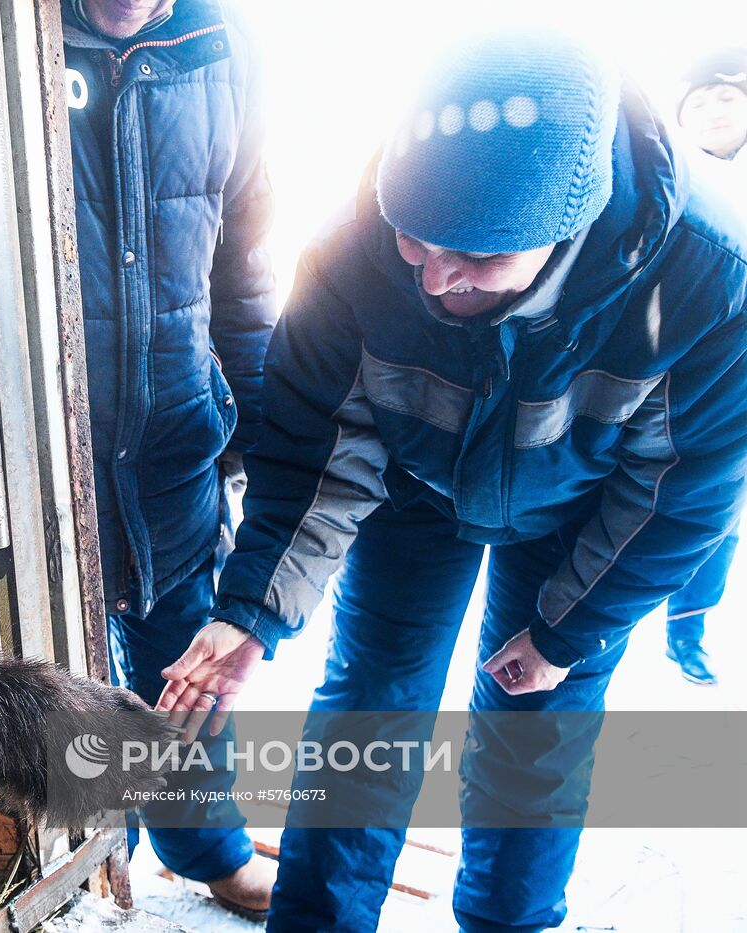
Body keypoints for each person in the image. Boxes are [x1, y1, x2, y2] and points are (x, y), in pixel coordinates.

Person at [157, 32, 747, 932]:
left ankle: (508, 921)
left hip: (582, 513)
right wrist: (254, 609)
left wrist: (567, 628)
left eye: (475, 258)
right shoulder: (357, 250)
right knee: (370, 695)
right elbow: (313, 444)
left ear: (568, 230)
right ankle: (317, 921)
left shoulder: (711, 278)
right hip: (413, 488)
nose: (432, 277)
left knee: (537, 712)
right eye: (415, 239)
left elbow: (685, 487)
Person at [62, 0, 280, 916]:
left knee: (182, 645)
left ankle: (206, 849)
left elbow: (245, 260)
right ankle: (77, 852)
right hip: (40, 427)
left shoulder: (222, 47)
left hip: (173, 425)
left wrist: (267, 423)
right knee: (47, 649)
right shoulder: (4, 32)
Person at [661, 47, 747, 684]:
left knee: (717, 503)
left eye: (728, 97)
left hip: (735, 372)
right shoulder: (665, 176)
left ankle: (687, 629)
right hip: (661, 361)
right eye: (699, 101)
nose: (714, 110)